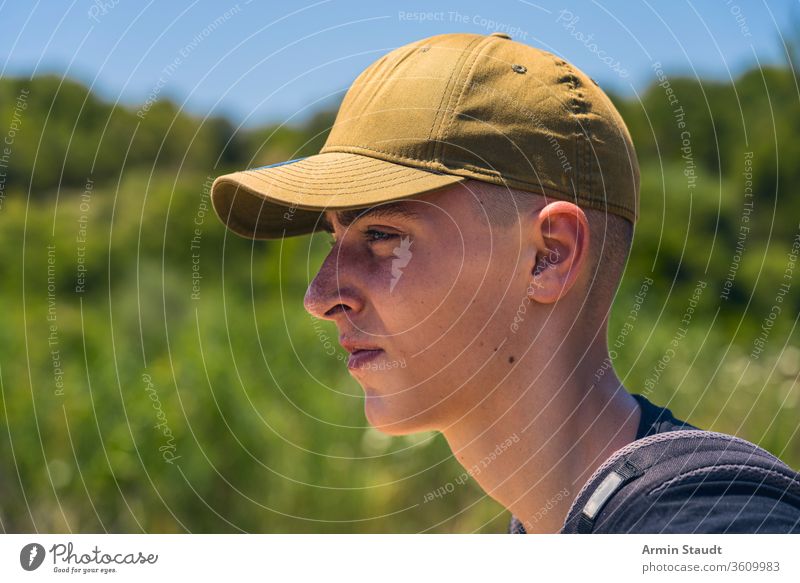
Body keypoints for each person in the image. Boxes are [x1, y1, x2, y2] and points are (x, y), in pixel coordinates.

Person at [210, 32, 799, 533]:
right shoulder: (583, 526)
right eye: (334, 239)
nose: (319, 298)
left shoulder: (710, 530)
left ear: (550, 255)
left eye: (383, 234)